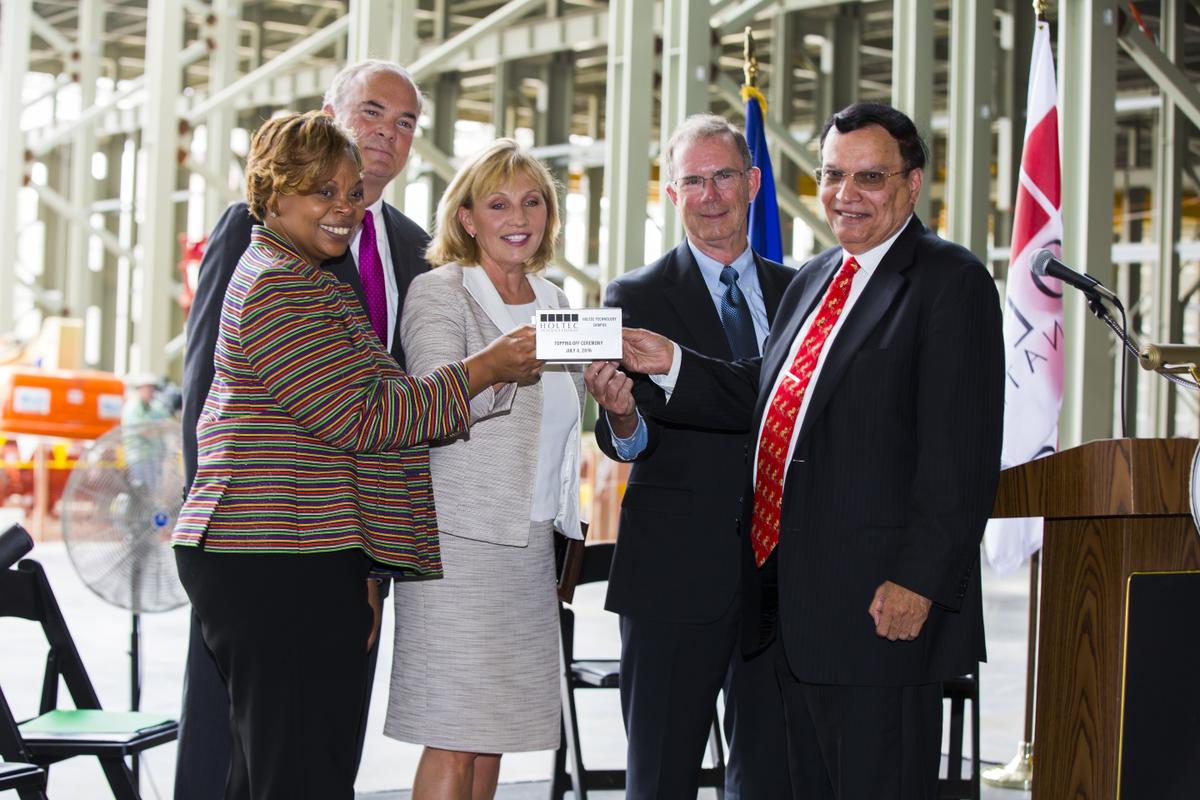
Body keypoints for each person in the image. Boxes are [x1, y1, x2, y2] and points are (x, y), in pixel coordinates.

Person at [598, 102, 1005, 798]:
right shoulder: (820, 279)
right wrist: (671, 362)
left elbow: (960, 455)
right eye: (833, 175)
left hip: (879, 606)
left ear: (912, 183)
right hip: (789, 611)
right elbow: (765, 394)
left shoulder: (949, 281)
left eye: (869, 177)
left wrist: (921, 581)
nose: (846, 194)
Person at [172, 111, 540, 800]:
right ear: (271, 194)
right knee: (298, 773)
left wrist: (364, 567)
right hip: (275, 554)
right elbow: (366, 417)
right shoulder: (280, 286)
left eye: (350, 192)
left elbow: (367, 409)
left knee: (282, 769)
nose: (345, 208)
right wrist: (484, 369)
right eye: (322, 191)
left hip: (306, 552)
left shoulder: (307, 279)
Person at [175, 59, 427, 799]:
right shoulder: (255, 231)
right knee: (234, 747)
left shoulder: (417, 250)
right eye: (372, 111)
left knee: (321, 754)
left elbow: (388, 410)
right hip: (258, 542)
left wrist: (374, 563)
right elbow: (206, 393)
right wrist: (217, 519)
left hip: (347, 550)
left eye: (406, 122)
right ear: (328, 115)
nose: (387, 133)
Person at [583, 114, 792, 799]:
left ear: (752, 182)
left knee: (771, 779)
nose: (710, 195)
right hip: (674, 575)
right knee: (661, 779)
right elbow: (633, 434)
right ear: (671, 194)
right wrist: (621, 416)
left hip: (784, 577)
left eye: (723, 175)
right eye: (692, 181)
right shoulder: (635, 296)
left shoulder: (803, 293)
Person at [383, 139, 584, 800]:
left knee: (493, 733)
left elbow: (562, 419)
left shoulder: (558, 300)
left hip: (534, 543)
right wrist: (499, 368)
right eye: (498, 204)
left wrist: (615, 400)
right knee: (453, 732)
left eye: (532, 202)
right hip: (459, 541)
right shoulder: (439, 292)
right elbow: (431, 405)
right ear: (466, 218)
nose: (518, 217)